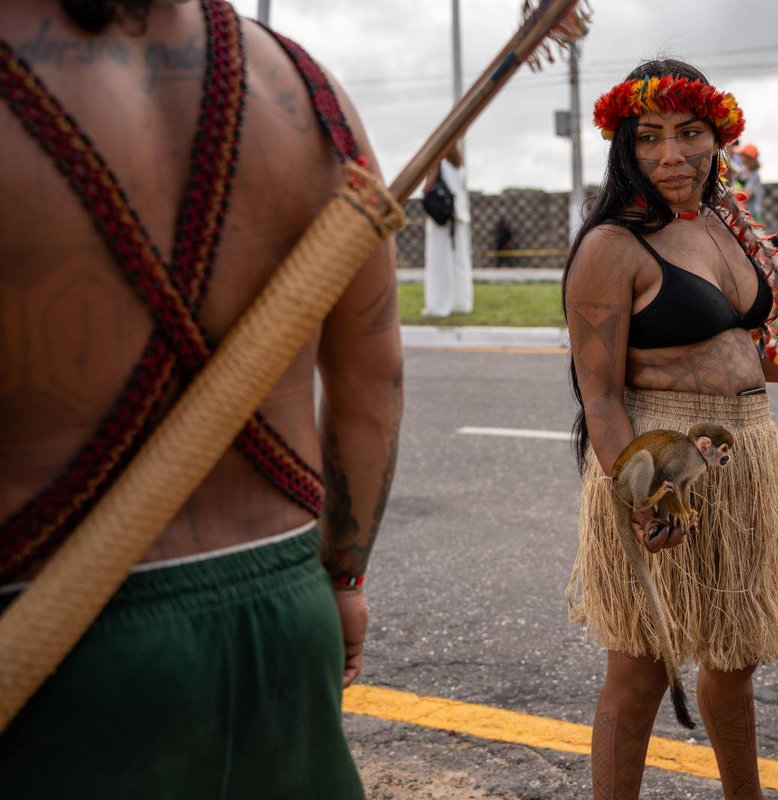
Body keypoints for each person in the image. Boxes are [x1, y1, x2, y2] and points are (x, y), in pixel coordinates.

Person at [0, 1, 404, 796]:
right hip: (288, 614)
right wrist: (344, 582)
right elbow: (372, 382)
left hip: (46, 644)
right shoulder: (305, 88)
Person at [564, 59, 778, 799]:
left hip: (743, 456)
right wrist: (644, 496)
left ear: (717, 134)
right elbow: (598, 393)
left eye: (689, 134)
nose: (671, 156)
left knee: (735, 655)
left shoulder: (724, 223)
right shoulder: (611, 246)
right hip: (660, 460)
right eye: (649, 137)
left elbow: (752, 354)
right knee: (643, 663)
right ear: (625, 144)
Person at [422, 139, 473, 317]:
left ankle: (439, 306)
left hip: (441, 220)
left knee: (439, 263)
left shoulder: (439, 165)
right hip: (459, 218)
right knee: (460, 263)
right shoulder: (459, 167)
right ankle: (462, 303)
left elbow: (426, 189)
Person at [734, 143, 764, 222]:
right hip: (742, 214)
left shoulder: (754, 175)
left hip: (752, 215)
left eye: (741, 154)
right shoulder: (741, 174)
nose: (738, 156)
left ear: (747, 158)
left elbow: (746, 194)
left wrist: (732, 193)